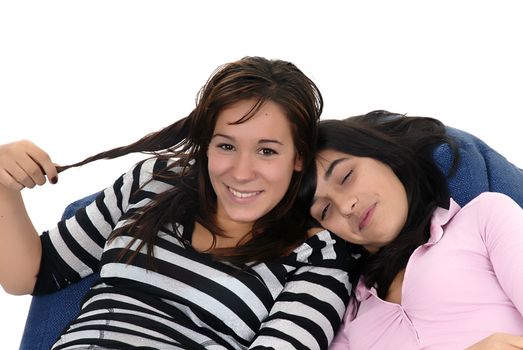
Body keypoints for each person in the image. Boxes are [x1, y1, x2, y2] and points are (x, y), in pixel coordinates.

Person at [0, 56, 350, 349]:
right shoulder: (156, 181)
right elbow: (31, 275)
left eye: (267, 151)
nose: (242, 173)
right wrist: (3, 186)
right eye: (226, 146)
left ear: (299, 156)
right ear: (206, 145)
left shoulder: (319, 256)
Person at [300, 111, 523, 349]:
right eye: (325, 210)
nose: (345, 206)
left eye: (346, 176)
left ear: (383, 155)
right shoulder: (348, 319)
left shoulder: (484, 217)